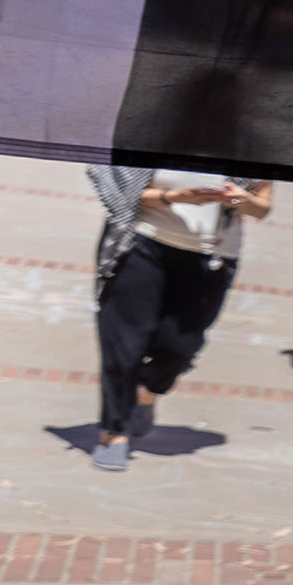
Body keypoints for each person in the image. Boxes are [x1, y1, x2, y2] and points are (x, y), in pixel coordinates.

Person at [88, 167, 270, 470]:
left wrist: (238, 200)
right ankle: (113, 432)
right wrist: (174, 197)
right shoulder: (153, 133)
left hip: (211, 257)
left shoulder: (249, 146)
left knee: (180, 346)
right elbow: (121, 191)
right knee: (123, 345)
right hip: (140, 245)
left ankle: (147, 392)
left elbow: (262, 206)